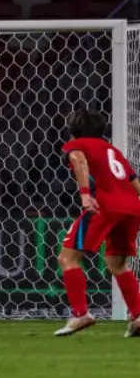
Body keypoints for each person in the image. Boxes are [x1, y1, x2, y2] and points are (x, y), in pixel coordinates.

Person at [53, 110, 140, 337]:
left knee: (67, 258)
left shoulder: (76, 145)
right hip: (131, 208)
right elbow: (134, 182)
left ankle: (80, 313)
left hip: (103, 206)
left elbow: (79, 160)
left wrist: (84, 194)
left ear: (73, 130)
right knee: (117, 263)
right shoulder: (113, 151)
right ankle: (138, 316)